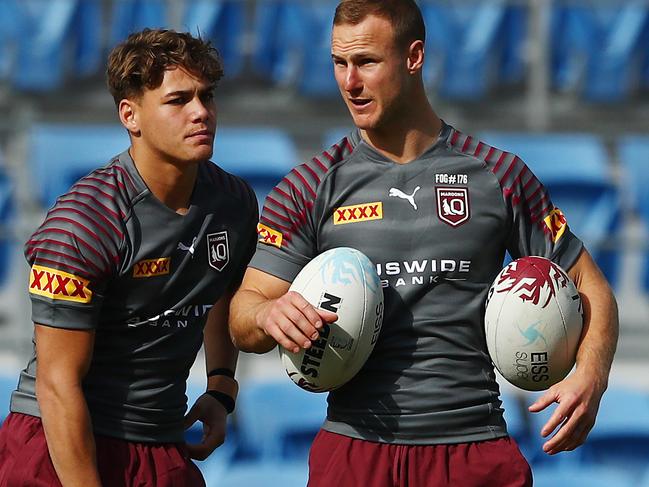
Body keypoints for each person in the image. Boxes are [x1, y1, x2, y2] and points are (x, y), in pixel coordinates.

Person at [229, 1, 619, 486]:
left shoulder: (497, 175)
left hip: (472, 448)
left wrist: (591, 375)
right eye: (339, 63)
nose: (350, 82)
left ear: (413, 57)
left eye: (367, 62)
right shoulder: (309, 186)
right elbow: (244, 314)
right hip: (356, 451)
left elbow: (591, 286)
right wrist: (268, 314)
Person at [0, 29, 258, 487]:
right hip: (61, 444)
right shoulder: (83, 224)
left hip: (160, 443)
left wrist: (221, 386)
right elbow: (58, 388)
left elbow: (224, 291)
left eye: (207, 96)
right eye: (178, 100)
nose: (201, 112)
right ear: (130, 115)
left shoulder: (234, 203)